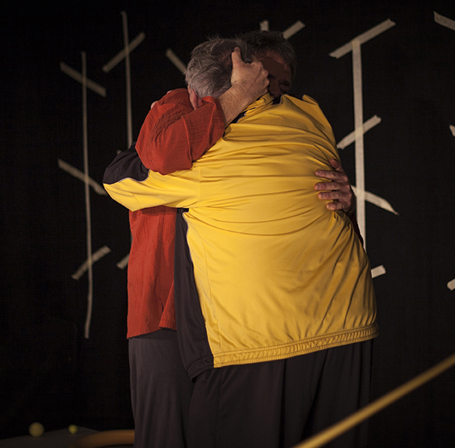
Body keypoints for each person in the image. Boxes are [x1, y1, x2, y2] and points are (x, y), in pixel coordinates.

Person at [104, 37, 377, 448]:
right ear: (239, 74)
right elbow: (130, 170)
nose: (271, 92)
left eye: (282, 85)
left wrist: (344, 202)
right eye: (263, 78)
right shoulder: (180, 108)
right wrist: (232, 100)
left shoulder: (289, 124)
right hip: (165, 309)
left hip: (236, 320)